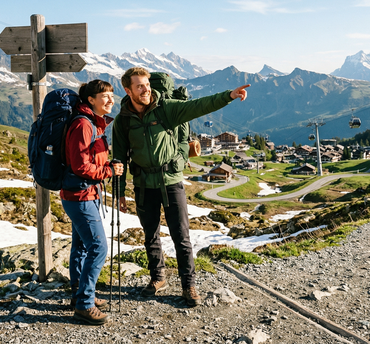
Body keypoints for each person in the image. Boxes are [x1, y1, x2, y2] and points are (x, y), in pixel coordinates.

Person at [112, 67, 249, 307]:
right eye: (139, 86)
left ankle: (189, 285)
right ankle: (158, 278)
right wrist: (120, 191)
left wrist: (228, 95)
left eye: (147, 84)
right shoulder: (123, 119)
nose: (146, 90)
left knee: (181, 236)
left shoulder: (167, 109)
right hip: (144, 184)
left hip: (171, 181)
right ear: (128, 90)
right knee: (150, 235)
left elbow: (199, 106)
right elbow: (119, 157)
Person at [61, 79, 123, 325]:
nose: (110, 100)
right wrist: (109, 171)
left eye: (112, 95)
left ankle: (79, 296)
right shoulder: (83, 125)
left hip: (83, 194)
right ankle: (85, 305)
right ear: (90, 100)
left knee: (82, 247)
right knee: (99, 248)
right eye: (105, 96)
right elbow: (80, 166)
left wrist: (105, 166)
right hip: (81, 196)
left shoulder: (92, 123)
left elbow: (88, 161)